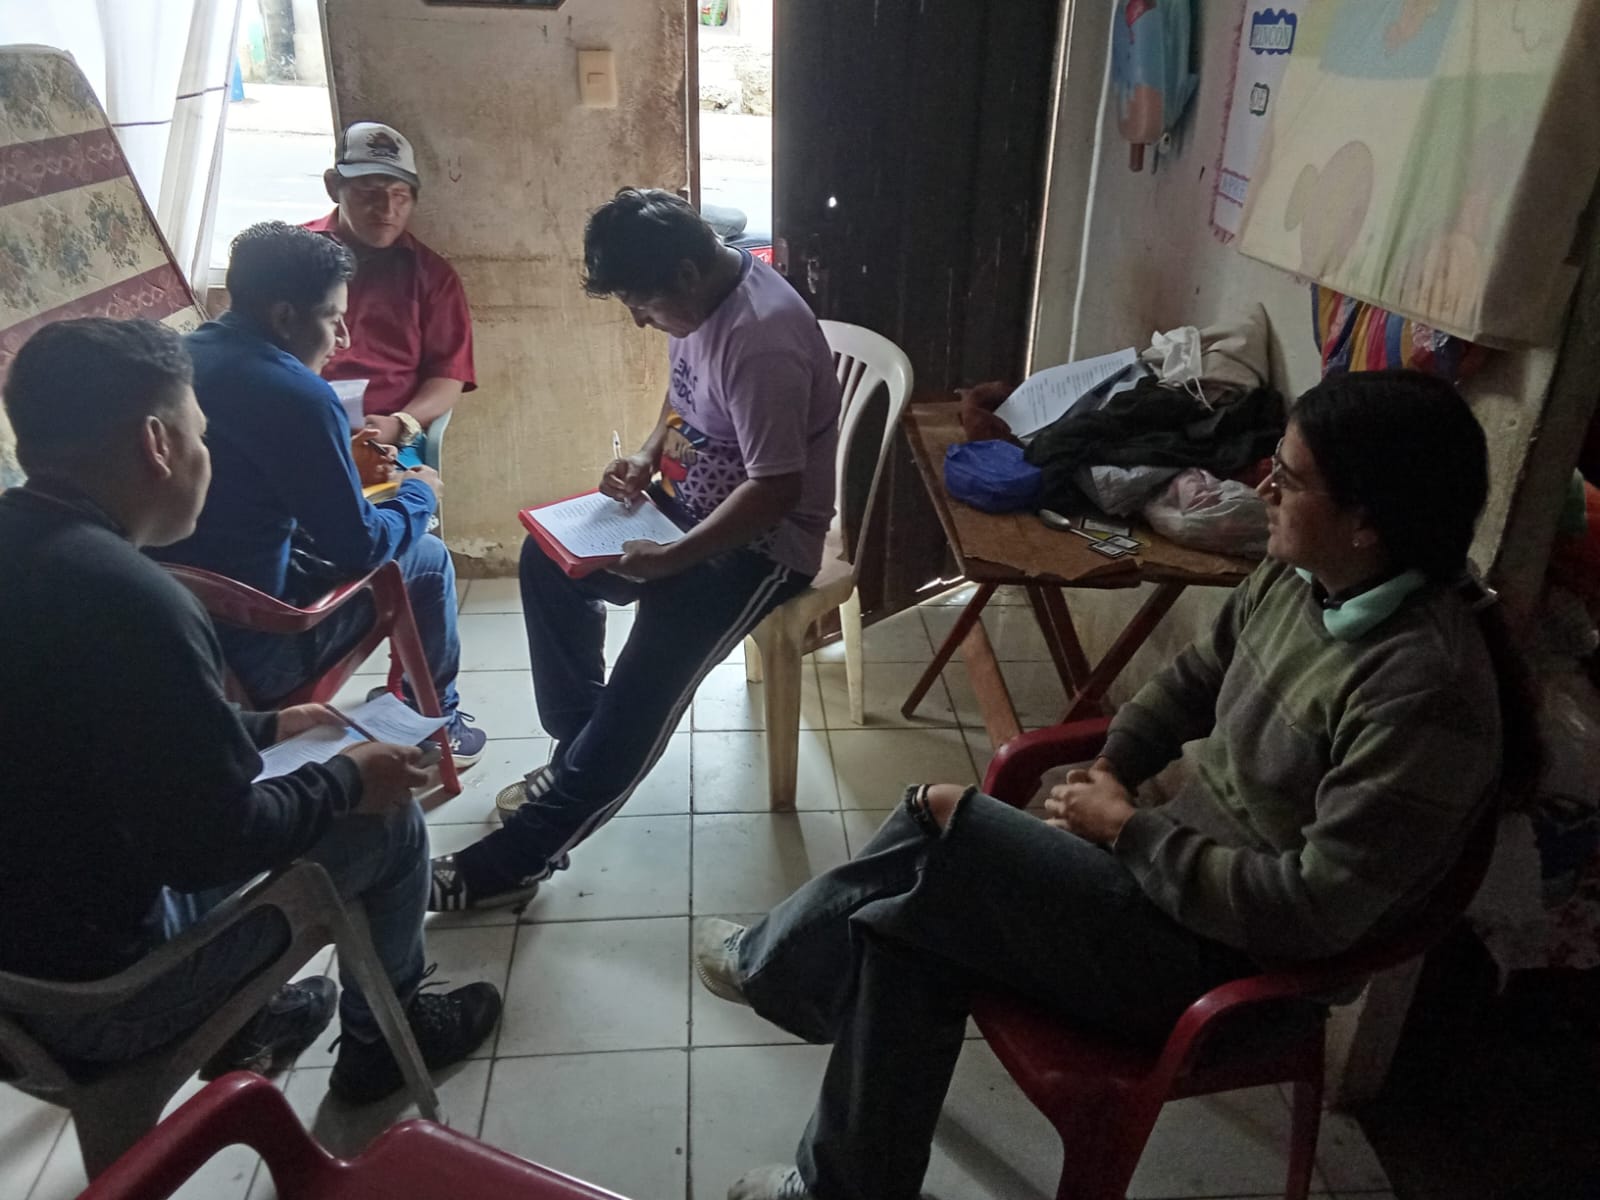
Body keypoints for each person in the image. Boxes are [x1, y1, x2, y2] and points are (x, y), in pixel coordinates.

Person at [690, 370, 1540, 1200]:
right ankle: (834, 1154)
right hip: (1162, 886)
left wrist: (1128, 829)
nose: (1264, 490)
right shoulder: (1301, 578)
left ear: (1367, 524)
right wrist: (1116, 766)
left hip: (1227, 963)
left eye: (1289, 477)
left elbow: (1312, 913)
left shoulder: (1423, 694)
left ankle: (776, 970)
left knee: (940, 815)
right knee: (907, 926)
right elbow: (1194, 679)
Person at [0, 318, 501, 1102]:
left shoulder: (27, 548)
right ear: (158, 444)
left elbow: (86, 734)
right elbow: (211, 845)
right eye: (201, 435)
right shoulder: (135, 599)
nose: (205, 455)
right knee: (386, 823)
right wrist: (349, 780)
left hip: (22, 977)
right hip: (98, 1004)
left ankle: (250, 1024)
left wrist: (266, 726)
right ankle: (383, 1044)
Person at [427, 188, 841, 911]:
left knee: (643, 685)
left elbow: (776, 490)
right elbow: (683, 393)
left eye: (641, 304)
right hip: (682, 509)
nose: (639, 320)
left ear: (685, 272)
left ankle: (513, 863)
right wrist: (649, 455)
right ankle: (580, 750)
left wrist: (674, 560)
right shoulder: (702, 295)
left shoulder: (761, 339)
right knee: (546, 561)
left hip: (762, 545)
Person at [156, 221, 486, 765]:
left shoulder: (175, 359)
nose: (344, 339)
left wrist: (336, 465)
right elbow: (360, 548)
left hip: (174, 631)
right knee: (427, 557)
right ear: (285, 316)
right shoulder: (300, 394)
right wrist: (419, 494)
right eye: (334, 319)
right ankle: (439, 722)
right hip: (261, 642)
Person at [307, 121, 475, 469]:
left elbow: (448, 376)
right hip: (299, 427)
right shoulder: (291, 256)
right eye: (369, 193)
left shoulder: (433, 277)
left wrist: (400, 424)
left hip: (386, 437)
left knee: (390, 495)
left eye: (399, 196)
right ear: (333, 186)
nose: (386, 211)